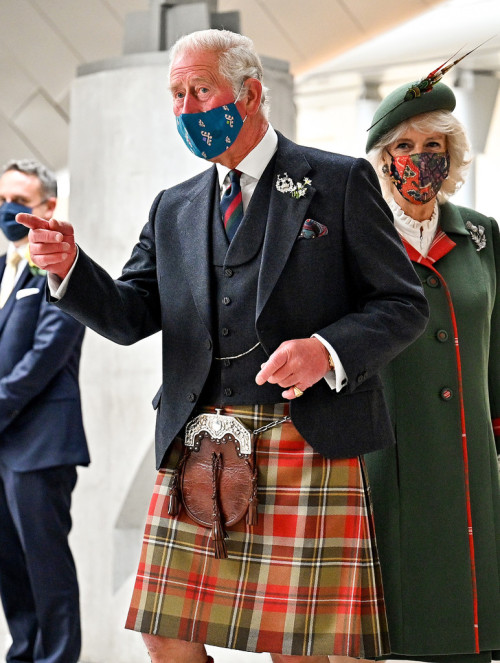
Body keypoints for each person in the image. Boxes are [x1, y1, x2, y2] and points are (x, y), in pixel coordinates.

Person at [19, 30, 428, 663]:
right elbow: (131, 314)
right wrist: (71, 267)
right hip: (195, 443)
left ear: (252, 92)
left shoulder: (338, 182)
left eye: (200, 89)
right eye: (176, 94)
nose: (185, 109)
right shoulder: (174, 207)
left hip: (305, 435)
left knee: (298, 647)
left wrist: (326, 349)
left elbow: (403, 303)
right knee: (166, 633)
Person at [364, 75, 500, 662]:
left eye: (433, 146)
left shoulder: (482, 235)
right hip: (385, 457)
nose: (420, 159)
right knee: (391, 628)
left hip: (471, 463)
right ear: (382, 159)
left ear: (452, 155)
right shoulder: (355, 237)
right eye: (404, 146)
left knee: (469, 628)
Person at [0, 159, 89, 663]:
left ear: (47, 207)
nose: (6, 211)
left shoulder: (57, 268)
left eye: (17, 201)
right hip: (1, 446)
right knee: (10, 570)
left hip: (38, 445)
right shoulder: (3, 270)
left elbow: (45, 356)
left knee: (46, 570)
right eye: (0, 201)